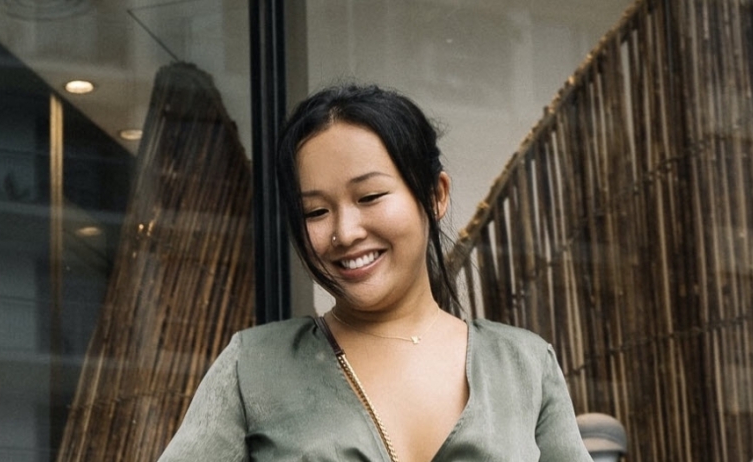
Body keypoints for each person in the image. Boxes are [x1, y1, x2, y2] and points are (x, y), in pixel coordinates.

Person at [158, 85, 589, 461]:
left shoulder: (525, 366)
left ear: (435, 195)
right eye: (316, 211)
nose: (344, 233)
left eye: (370, 197)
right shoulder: (252, 367)